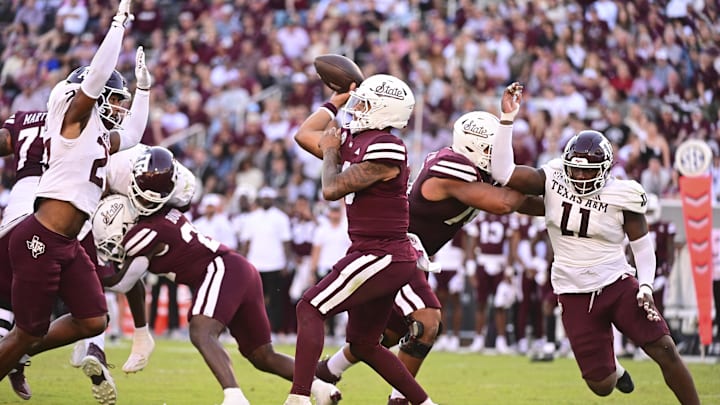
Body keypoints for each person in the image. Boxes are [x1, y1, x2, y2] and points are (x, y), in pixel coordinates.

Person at [312, 106, 541, 404]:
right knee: (426, 323)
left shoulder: (475, 170)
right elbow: (504, 203)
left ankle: (327, 371)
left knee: (387, 336)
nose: (497, 154)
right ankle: (400, 400)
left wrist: (564, 206)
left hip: (412, 256)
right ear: (472, 146)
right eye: (491, 147)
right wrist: (547, 184)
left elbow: (522, 203)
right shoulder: (451, 168)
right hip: (395, 249)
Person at [489, 82, 700, 403]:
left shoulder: (622, 194)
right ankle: (615, 370)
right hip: (572, 289)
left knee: (665, 348)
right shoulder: (555, 177)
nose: (579, 178)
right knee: (600, 385)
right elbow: (503, 172)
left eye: (587, 173)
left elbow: (643, 248)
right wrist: (507, 120)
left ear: (604, 170)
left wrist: (645, 285)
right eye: (574, 170)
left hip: (616, 282)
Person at [92, 149, 341, 405]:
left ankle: (234, 397)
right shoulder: (167, 211)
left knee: (201, 331)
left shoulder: (146, 232)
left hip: (220, 268)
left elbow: (124, 282)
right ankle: (320, 387)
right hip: (239, 269)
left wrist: (93, 268)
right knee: (262, 355)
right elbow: (133, 280)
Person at [0, 0, 137, 400]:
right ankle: (17, 351)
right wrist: (118, 26)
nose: (117, 107)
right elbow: (95, 78)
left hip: (67, 241)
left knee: (93, 319)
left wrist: (143, 89)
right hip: (40, 236)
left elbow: (132, 135)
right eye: (112, 99)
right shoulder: (73, 120)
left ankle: (19, 353)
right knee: (27, 330)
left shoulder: (95, 135)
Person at [290, 74, 437, 405]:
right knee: (365, 344)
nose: (358, 108)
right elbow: (304, 134)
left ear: (384, 111)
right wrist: (336, 100)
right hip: (374, 252)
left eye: (365, 103)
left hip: (382, 252)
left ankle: (298, 398)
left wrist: (330, 153)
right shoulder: (356, 138)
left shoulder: (387, 146)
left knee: (309, 308)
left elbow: (331, 189)